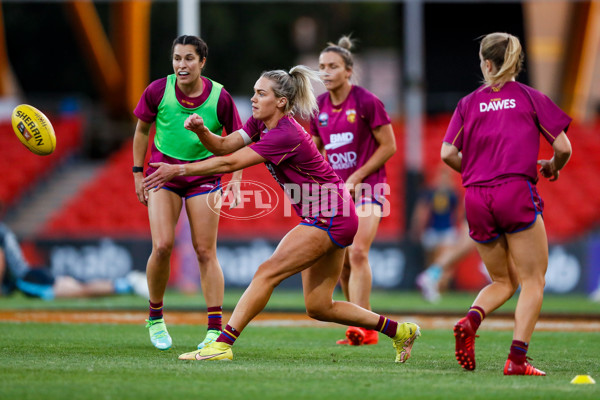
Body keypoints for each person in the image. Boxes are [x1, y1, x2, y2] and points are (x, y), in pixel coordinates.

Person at [144, 65, 421, 363]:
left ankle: (222, 344)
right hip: (333, 214)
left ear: (280, 102)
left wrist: (179, 169)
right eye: (253, 92)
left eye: (261, 94)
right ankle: (400, 330)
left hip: (330, 215)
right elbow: (224, 146)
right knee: (319, 307)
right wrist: (202, 131)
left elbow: (229, 164)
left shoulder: (285, 134)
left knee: (266, 272)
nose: (253, 99)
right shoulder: (260, 124)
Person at [441, 32, 572, 376]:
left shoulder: (468, 103)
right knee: (533, 280)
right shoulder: (530, 98)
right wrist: (553, 168)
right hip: (514, 191)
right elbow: (564, 148)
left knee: (502, 280)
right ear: (516, 62)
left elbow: (447, 153)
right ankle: (516, 359)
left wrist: (474, 171)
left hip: (477, 197)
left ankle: (471, 320)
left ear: (486, 63)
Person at [132, 35, 243, 351]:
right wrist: (138, 173)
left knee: (205, 251)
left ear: (202, 62)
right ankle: (155, 317)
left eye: (189, 58)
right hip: (161, 175)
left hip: (203, 177)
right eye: (177, 58)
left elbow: (238, 140)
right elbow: (141, 129)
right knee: (163, 245)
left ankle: (214, 329)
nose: (182, 65)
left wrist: (235, 178)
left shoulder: (220, 97)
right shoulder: (157, 90)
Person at [309, 36, 397, 346]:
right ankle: (361, 325)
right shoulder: (317, 107)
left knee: (358, 251)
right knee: (343, 261)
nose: (326, 72)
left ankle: (368, 328)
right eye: (321, 67)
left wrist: (358, 175)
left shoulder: (366, 102)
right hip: (337, 192)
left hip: (369, 187)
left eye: (332, 66)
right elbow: (316, 148)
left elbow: (389, 145)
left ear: (348, 71)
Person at [0, 223, 149, 300]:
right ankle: (125, 284)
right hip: (30, 276)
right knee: (79, 289)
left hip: (26, 280)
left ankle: (126, 284)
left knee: (79, 291)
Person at [412, 168, 475, 302]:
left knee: (443, 259)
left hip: (447, 230)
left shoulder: (452, 193)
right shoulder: (431, 192)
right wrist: (419, 227)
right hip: (433, 230)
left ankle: (437, 287)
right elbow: (423, 211)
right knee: (434, 260)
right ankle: (431, 284)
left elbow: (457, 213)